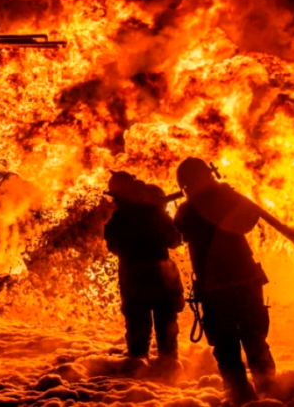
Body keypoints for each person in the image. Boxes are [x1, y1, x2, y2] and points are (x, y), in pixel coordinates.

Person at [173, 157, 275, 403]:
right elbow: (250, 220)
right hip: (242, 283)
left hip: (218, 289)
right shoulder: (224, 201)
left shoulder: (188, 210)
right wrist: (229, 196)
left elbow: (176, 234)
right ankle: (270, 393)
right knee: (253, 340)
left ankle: (244, 396)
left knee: (229, 348)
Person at [104, 171, 185, 369]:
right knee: (165, 331)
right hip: (161, 279)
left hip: (134, 280)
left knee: (138, 333)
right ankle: (167, 376)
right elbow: (175, 240)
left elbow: (113, 246)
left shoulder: (119, 217)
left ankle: (140, 378)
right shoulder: (154, 212)